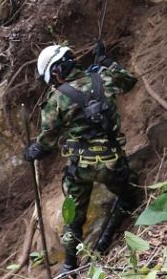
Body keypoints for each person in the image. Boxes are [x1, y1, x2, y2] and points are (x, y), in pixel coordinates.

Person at [23, 41, 140, 276]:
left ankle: (69, 267)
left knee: (74, 218)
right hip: (112, 162)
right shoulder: (104, 79)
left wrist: (31, 151)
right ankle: (104, 242)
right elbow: (129, 80)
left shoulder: (56, 101)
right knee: (128, 196)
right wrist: (106, 62)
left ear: (56, 71)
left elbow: (46, 143)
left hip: (81, 169)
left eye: (52, 78)